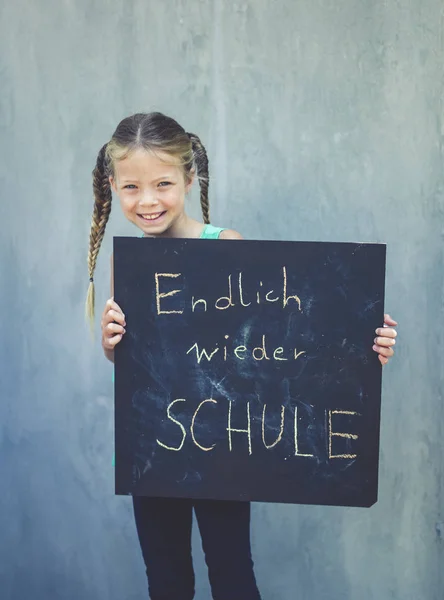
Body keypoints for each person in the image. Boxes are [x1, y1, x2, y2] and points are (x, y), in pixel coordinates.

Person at [85, 111, 398, 600]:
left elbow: (280, 349)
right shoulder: (128, 264)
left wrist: (359, 353)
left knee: (231, 574)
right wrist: (110, 344)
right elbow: (132, 361)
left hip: (226, 445)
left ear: (190, 179)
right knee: (166, 581)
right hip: (153, 447)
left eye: (163, 183)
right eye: (131, 188)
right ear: (113, 186)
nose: (147, 200)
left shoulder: (226, 247)